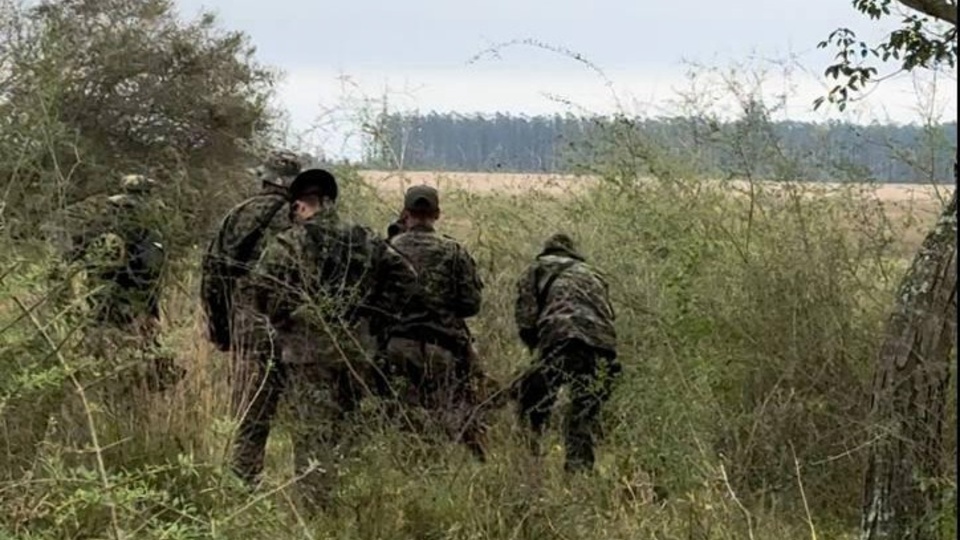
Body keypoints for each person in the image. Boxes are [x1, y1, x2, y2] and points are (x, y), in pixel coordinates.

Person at [245, 168, 417, 512]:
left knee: (312, 434)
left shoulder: (289, 242)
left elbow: (261, 288)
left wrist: (284, 318)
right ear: (331, 201)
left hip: (308, 357)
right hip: (357, 352)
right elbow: (406, 276)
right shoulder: (363, 238)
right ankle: (352, 505)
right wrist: (376, 316)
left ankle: (317, 512)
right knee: (350, 430)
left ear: (299, 206)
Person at [199, 149, 304, 487]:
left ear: (264, 177)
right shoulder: (303, 218)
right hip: (296, 329)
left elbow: (213, 276)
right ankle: (309, 484)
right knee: (306, 413)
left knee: (251, 412)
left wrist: (220, 329)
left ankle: (244, 482)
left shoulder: (238, 215)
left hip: (248, 327)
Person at [382, 185, 491, 460]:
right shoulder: (454, 251)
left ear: (406, 214)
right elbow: (471, 305)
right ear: (437, 214)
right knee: (445, 413)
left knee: (404, 415)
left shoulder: (386, 251)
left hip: (397, 346)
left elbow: (372, 301)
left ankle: (409, 470)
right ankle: (438, 471)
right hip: (441, 348)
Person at [512, 233, 620, 473]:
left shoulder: (537, 269)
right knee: (583, 413)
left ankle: (528, 464)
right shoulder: (594, 274)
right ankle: (579, 473)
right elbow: (608, 316)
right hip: (603, 348)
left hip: (562, 339)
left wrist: (536, 354)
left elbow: (526, 322)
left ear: (547, 250)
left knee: (532, 404)